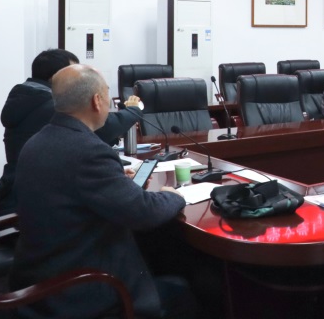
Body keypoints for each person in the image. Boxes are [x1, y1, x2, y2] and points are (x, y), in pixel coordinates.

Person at [10, 64, 196, 319]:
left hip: (41, 275)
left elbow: (72, 190)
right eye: (108, 95)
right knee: (184, 289)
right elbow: (143, 212)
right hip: (78, 292)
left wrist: (114, 180)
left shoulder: (37, 141)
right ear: (97, 101)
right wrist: (174, 196)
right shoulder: (89, 151)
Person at [0, 48, 143, 219]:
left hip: (20, 192)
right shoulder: (53, 105)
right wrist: (133, 110)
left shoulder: (27, 97)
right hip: (34, 207)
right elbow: (105, 129)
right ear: (58, 77)